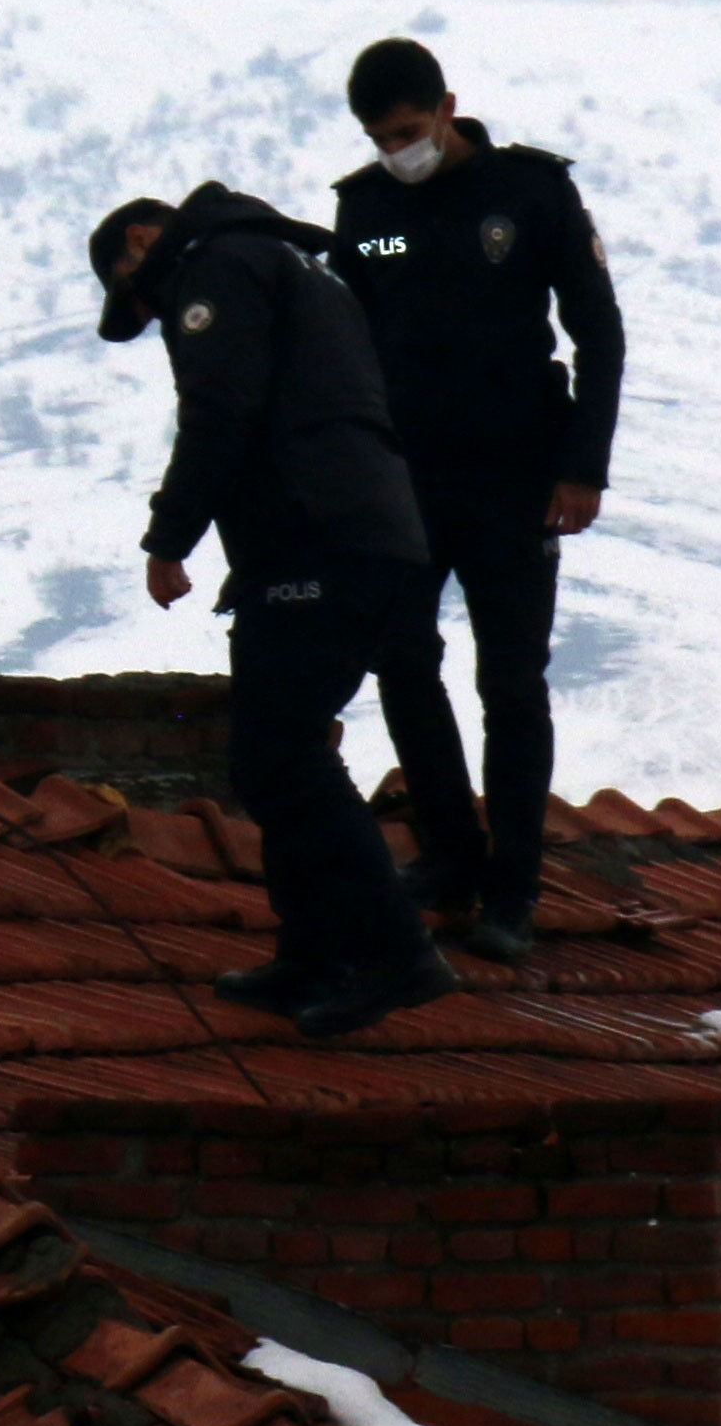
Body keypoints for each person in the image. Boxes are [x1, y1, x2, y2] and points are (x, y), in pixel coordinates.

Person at [89, 181, 453, 1038]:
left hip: (316, 537)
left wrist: (168, 535)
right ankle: (314, 953)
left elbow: (221, 409)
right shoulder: (296, 263)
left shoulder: (216, 266)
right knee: (267, 755)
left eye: (140, 296)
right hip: (359, 531)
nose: (154, 314)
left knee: (283, 753)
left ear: (145, 241)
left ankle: (397, 953)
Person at [323, 39, 625, 966]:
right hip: (404, 482)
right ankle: (450, 854)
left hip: (515, 477)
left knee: (511, 682)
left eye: (409, 132)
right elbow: (348, 341)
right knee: (402, 660)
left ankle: (514, 888)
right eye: (380, 138)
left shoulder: (529, 195)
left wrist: (583, 469)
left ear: (447, 107)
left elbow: (599, 335)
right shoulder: (365, 210)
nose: (396, 151)